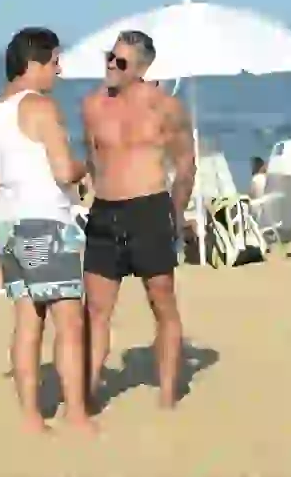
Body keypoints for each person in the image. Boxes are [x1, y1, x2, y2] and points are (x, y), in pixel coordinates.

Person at [0, 27, 93, 433]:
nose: (59, 70)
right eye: (55, 62)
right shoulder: (41, 107)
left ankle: (31, 417)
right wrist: (87, 167)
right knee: (69, 322)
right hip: (47, 222)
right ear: (34, 63)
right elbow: (64, 171)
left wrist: (0, 190)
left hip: (11, 225)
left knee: (28, 322)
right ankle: (76, 415)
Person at [81, 30, 196, 409]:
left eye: (121, 62)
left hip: (150, 210)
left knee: (162, 304)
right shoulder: (92, 105)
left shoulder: (166, 107)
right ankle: (87, 396)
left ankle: (167, 397)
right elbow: (91, 157)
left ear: (142, 68)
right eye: (109, 57)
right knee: (96, 311)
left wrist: (176, 214)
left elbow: (185, 164)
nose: (111, 66)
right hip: (105, 211)